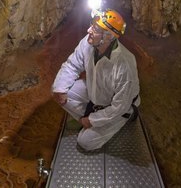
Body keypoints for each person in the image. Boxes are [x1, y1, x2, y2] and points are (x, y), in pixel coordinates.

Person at [51, 8, 140, 151]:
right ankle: (87, 117)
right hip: (96, 93)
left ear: (108, 36)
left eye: (95, 29)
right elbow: (72, 65)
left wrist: (92, 120)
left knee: (85, 142)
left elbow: (120, 106)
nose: (88, 30)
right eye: (92, 25)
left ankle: (126, 118)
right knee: (61, 91)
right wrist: (60, 88)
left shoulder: (125, 64)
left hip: (121, 108)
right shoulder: (88, 43)